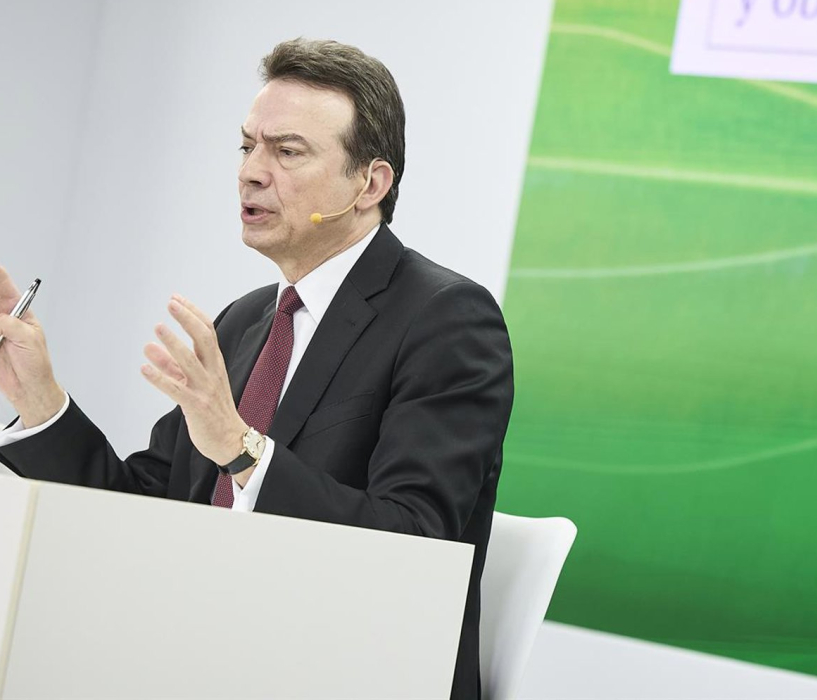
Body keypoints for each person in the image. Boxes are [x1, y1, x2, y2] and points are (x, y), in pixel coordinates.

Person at [0, 38, 513, 700]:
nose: (250, 172)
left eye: (287, 151)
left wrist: (242, 451)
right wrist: (40, 400)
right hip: (209, 657)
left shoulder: (447, 319)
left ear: (371, 184)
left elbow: (412, 544)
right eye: (246, 147)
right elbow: (143, 508)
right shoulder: (246, 321)